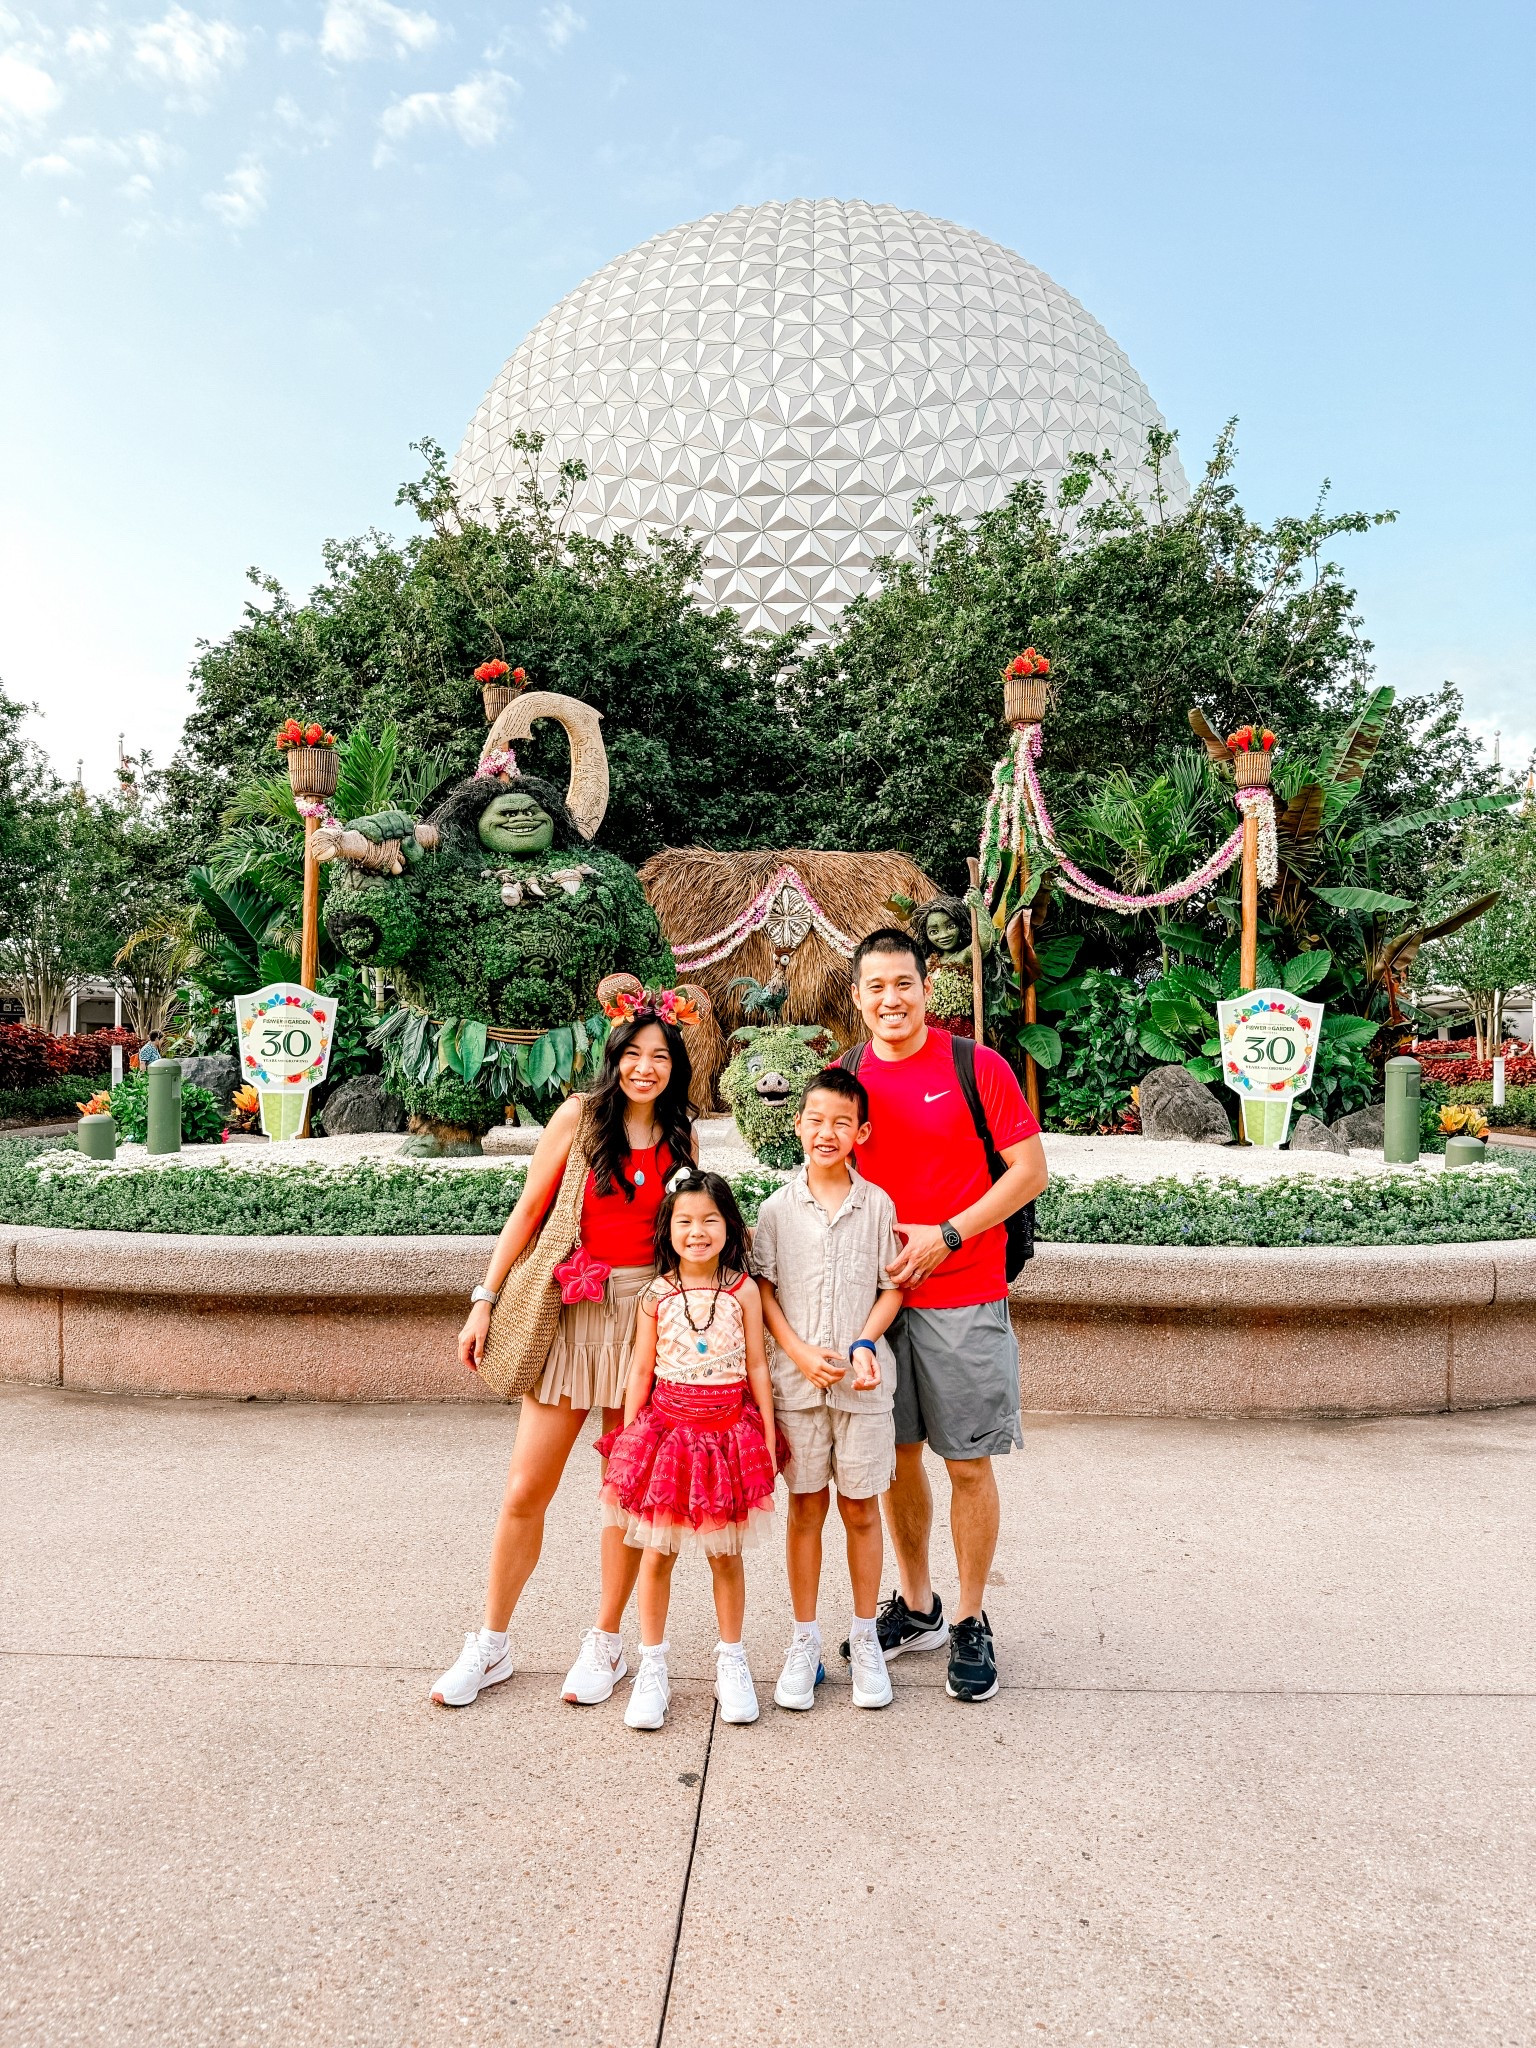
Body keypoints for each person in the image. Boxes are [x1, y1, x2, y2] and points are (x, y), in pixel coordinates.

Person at [431, 999, 696, 1709]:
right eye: (633, 1053)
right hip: (573, 1311)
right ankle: (491, 1641)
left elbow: (691, 1229)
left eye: (660, 1056)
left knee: (624, 1491)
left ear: (675, 1067)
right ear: (615, 1059)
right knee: (526, 1487)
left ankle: (607, 1640)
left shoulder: (681, 1133)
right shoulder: (579, 1117)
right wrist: (484, 1297)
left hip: (648, 1321)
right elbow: (528, 1209)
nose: (645, 1068)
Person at [840, 927, 1048, 1703]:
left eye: (904, 983)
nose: (891, 999)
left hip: (964, 1291)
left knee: (966, 1463)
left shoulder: (976, 1065)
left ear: (928, 988)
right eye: (876, 986)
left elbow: (1029, 1172)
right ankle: (919, 1604)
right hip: (878, 1301)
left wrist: (949, 1233)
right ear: (857, 996)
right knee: (896, 1460)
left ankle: (969, 1616)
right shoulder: (846, 1077)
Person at [595, 1170, 779, 1731]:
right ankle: (652, 1664)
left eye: (710, 1220)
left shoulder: (742, 1291)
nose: (697, 1232)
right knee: (658, 1553)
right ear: (668, 1228)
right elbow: (641, 1369)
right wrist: (630, 1438)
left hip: (727, 1436)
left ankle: (732, 1660)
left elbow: (756, 1365)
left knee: (726, 1553)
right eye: (685, 1221)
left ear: (729, 1227)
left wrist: (770, 1436)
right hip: (668, 1438)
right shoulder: (656, 1294)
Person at [752, 1067, 904, 1713]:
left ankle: (865, 1637)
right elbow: (762, 1290)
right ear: (797, 1125)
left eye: (842, 1122)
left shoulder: (879, 1206)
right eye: (815, 1119)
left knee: (862, 1510)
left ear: (860, 1133)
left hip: (863, 1390)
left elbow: (893, 1288)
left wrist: (865, 1342)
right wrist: (796, 1351)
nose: (827, 1132)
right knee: (806, 1507)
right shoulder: (775, 1210)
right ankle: (805, 1640)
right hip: (797, 1388)